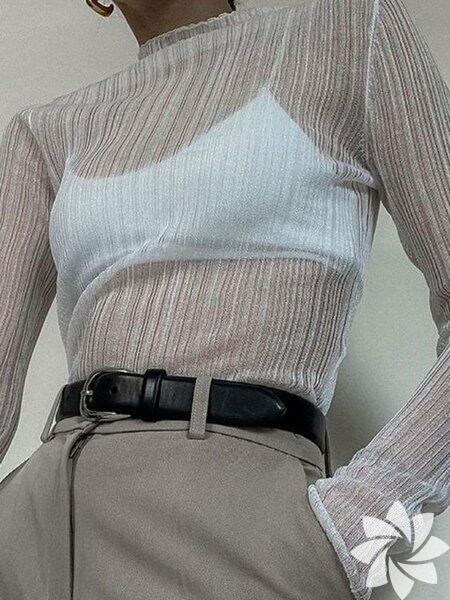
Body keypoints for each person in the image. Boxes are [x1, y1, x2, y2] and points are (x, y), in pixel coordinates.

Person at [0, 0, 448, 598]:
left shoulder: (349, 36)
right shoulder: (46, 132)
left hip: (242, 524)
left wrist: (360, 525)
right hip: (36, 529)